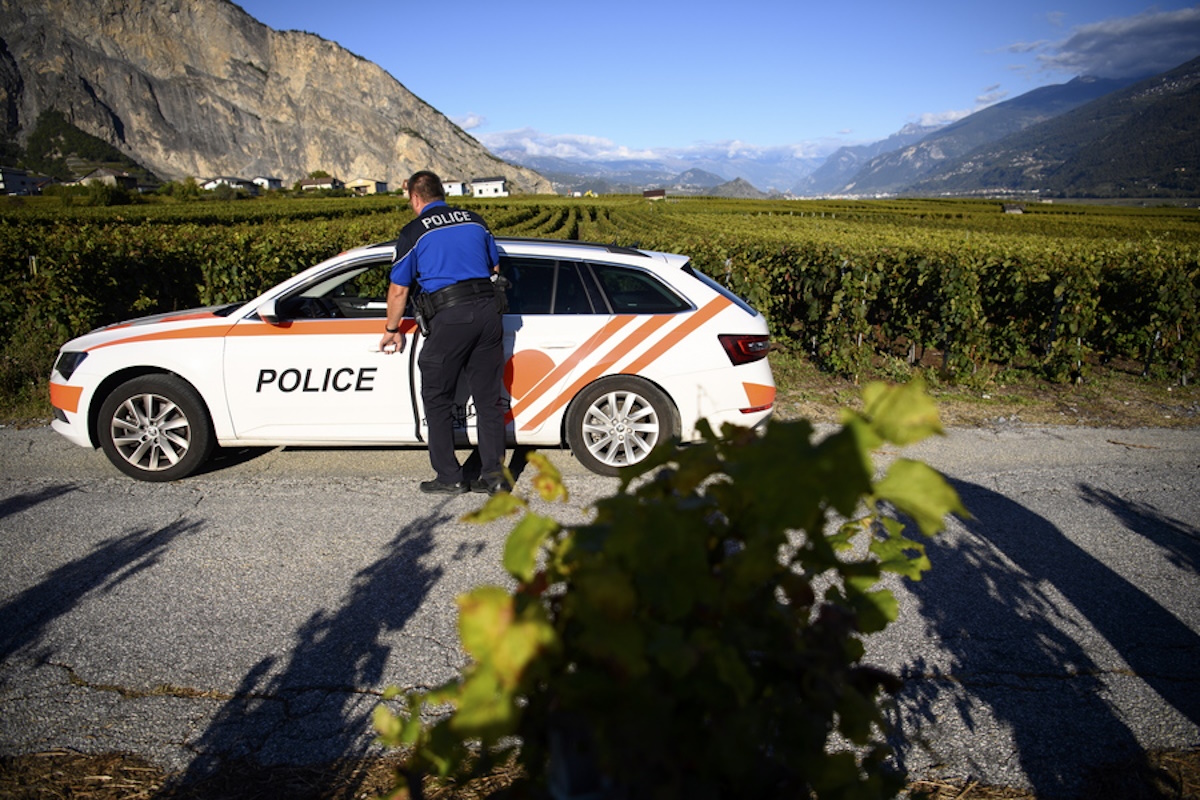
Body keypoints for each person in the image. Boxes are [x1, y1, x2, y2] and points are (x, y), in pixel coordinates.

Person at [379, 170, 509, 495]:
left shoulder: (414, 231)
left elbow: (398, 290)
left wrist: (391, 329)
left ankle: (449, 477)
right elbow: (494, 268)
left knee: (437, 397)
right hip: (489, 312)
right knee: (489, 399)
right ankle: (494, 477)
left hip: (450, 317)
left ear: (415, 198)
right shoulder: (474, 220)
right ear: (442, 192)